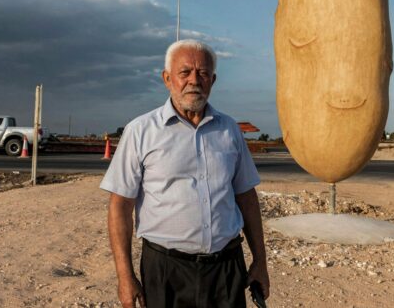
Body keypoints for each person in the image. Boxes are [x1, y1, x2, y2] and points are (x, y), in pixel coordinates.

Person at [100, 39, 270, 307]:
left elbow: (246, 197)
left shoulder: (229, 131)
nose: (194, 80)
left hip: (226, 270)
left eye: (203, 73)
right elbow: (120, 205)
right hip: (166, 270)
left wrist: (260, 262)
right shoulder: (141, 131)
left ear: (212, 80)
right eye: (185, 72)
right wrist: (125, 276)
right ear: (167, 79)